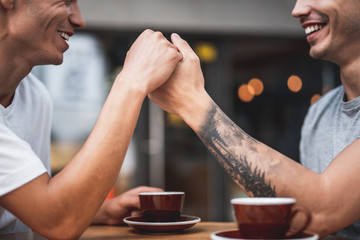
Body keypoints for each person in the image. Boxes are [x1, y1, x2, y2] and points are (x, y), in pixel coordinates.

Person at [148, 0, 360, 238]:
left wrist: (193, 103)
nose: (297, 9)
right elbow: (302, 220)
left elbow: (320, 213)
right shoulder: (319, 113)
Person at [0, 0, 182, 239]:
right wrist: (132, 81)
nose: (79, 19)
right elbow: (58, 222)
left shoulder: (35, 97)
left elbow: (30, 211)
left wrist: (97, 211)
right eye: (65, 2)